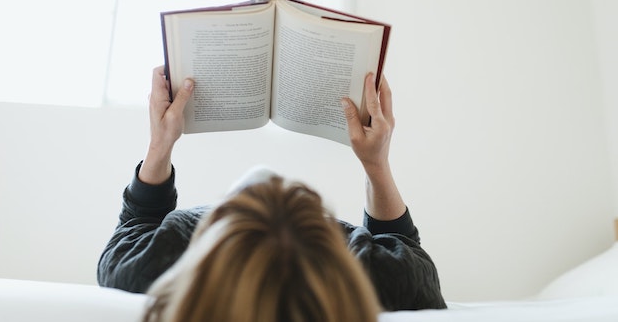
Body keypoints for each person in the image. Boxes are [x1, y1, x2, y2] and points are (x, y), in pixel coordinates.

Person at [98, 66, 446, 320]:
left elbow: (137, 222)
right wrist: (376, 165)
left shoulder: (162, 262)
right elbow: (405, 252)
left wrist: (160, 145)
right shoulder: (372, 275)